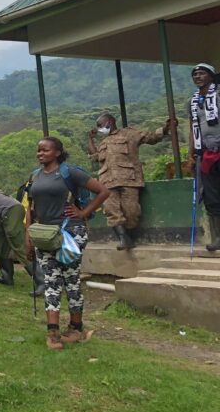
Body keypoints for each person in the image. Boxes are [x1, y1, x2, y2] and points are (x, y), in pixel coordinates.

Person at [28, 137, 109, 350]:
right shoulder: (35, 176)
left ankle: (75, 328)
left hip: (70, 233)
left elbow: (103, 191)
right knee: (51, 282)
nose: (40, 153)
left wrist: (83, 212)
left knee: (70, 280)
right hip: (45, 235)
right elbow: (31, 207)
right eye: (38, 150)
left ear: (57, 152)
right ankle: (53, 333)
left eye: (45, 150)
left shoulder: (69, 173)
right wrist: (29, 235)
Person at [85, 112, 172, 250]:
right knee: (111, 210)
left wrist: (166, 129)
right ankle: (123, 238)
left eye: (100, 125)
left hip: (129, 179)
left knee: (131, 212)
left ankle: (129, 236)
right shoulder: (103, 142)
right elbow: (95, 157)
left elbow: (151, 137)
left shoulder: (129, 134)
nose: (99, 129)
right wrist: (90, 139)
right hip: (107, 182)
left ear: (109, 122)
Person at [187, 63, 220, 251]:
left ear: (211, 76)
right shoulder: (193, 102)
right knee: (211, 197)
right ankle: (218, 238)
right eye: (195, 75)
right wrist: (190, 154)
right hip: (205, 153)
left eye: (201, 73)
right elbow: (193, 128)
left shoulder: (218, 95)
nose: (197, 77)